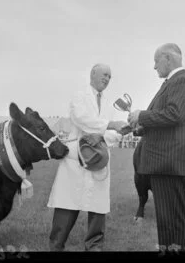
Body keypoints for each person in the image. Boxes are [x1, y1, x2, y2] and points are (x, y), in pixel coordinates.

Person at [47, 63, 129, 251]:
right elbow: (80, 118)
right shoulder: (79, 96)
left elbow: (117, 133)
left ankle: (94, 247)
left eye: (110, 76)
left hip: (100, 159)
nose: (107, 79)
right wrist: (108, 125)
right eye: (104, 74)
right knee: (67, 205)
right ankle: (56, 246)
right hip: (76, 159)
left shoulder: (110, 104)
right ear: (93, 73)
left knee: (98, 208)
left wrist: (101, 134)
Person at [128, 43, 185, 255]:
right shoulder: (174, 82)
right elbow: (168, 120)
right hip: (168, 162)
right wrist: (139, 127)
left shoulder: (182, 81)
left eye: (156, 61)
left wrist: (141, 115)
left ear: (168, 58)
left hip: (170, 163)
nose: (154, 67)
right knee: (171, 221)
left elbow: (174, 114)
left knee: (171, 221)